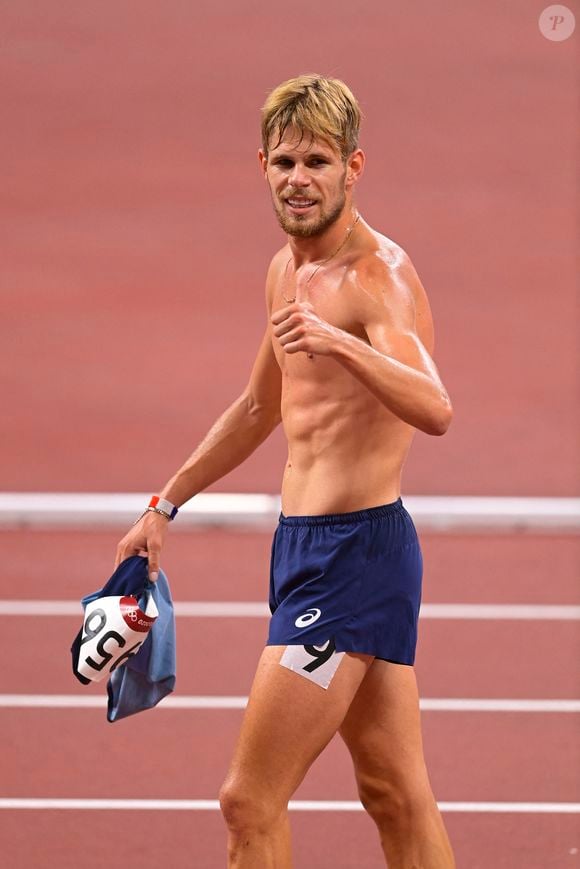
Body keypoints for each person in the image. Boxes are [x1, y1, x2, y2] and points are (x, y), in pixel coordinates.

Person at [115, 74, 455, 869]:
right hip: (304, 548)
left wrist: (342, 341)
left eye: (318, 162)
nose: (299, 178)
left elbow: (436, 406)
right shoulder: (285, 270)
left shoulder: (377, 278)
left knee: (248, 798)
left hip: (353, 560)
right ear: (262, 166)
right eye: (285, 162)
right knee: (396, 793)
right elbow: (258, 408)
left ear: (354, 167)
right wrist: (165, 503)